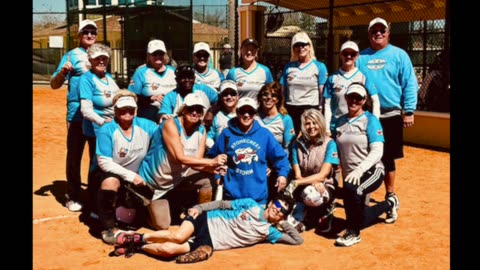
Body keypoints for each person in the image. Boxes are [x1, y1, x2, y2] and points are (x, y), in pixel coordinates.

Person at [111, 193, 302, 262]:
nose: (277, 211)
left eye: (282, 212)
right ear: (270, 203)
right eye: (276, 206)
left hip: (210, 241)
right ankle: (138, 237)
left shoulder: (269, 232)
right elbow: (223, 204)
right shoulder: (251, 204)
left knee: (167, 250)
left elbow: (297, 240)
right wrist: (199, 207)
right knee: (177, 237)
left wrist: (282, 222)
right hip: (206, 220)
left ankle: (137, 247)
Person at [356, 17, 418, 221]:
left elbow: (409, 83)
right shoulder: (360, 57)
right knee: (364, 155)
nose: (378, 33)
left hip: (390, 115)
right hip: (365, 115)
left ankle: (390, 197)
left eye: (382, 30)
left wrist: (408, 111)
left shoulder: (399, 55)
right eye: (374, 30)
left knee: (387, 157)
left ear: (388, 32)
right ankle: (364, 194)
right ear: (369, 34)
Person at [137, 93, 227, 230]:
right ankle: (144, 210)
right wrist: (211, 162)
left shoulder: (202, 130)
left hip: (178, 177)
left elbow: (196, 162)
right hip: (155, 183)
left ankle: (200, 219)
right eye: (191, 108)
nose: (195, 112)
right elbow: (179, 157)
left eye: (199, 109)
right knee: (162, 225)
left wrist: (212, 169)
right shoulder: (170, 124)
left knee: (208, 179)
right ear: (184, 109)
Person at [331, 83, 399, 247]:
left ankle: (353, 234)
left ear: (364, 100)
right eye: (351, 97)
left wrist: (360, 170)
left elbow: (377, 151)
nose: (354, 101)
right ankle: (390, 203)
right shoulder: (339, 121)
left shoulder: (370, 120)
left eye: (358, 98)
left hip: (372, 171)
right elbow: (333, 145)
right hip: (351, 175)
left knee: (354, 189)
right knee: (359, 218)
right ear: (346, 98)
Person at [93, 90, 158, 244]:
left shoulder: (147, 125)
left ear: (136, 110)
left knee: (144, 221)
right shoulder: (107, 130)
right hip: (112, 175)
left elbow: (164, 135)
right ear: (115, 110)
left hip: (137, 177)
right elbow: (104, 162)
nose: (127, 113)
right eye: (122, 109)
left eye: (130, 109)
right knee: (111, 182)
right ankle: (109, 228)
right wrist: (130, 176)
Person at [50, 19, 98, 212]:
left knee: (97, 156)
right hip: (76, 115)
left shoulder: (100, 54)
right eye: (85, 32)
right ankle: (73, 195)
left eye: (93, 32)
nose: (89, 35)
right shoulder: (71, 56)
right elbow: (54, 84)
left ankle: (95, 195)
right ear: (79, 35)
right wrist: (63, 73)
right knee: (75, 155)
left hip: (96, 115)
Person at [206, 97, 291, 206]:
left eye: (250, 112)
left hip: (258, 199)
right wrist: (217, 175)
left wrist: (282, 175)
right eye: (242, 111)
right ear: (237, 113)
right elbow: (211, 157)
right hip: (231, 198)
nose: (246, 115)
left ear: (255, 114)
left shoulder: (264, 134)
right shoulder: (226, 134)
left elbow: (281, 158)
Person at [78, 43, 120, 212]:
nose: (101, 61)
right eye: (97, 59)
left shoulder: (109, 78)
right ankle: (93, 205)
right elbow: (86, 110)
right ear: (90, 60)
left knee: (109, 163)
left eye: (104, 58)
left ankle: (107, 199)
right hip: (96, 129)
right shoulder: (86, 79)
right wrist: (104, 122)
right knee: (97, 165)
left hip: (112, 127)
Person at [283, 109, 339, 233]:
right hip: (303, 185)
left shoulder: (329, 144)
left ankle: (326, 210)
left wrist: (300, 183)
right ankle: (305, 217)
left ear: (321, 124)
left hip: (324, 185)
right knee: (289, 225)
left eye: (315, 123)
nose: (311, 127)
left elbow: (323, 175)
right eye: (308, 124)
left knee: (311, 194)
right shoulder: (296, 144)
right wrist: (308, 182)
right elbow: (298, 175)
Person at [323, 40, 380, 135]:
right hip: (337, 125)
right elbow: (327, 104)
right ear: (341, 55)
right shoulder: (332, 78)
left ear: (357, 56)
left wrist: (375, 124)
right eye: (345, 53)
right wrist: (327, 128)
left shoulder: (363, 77)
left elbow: (375, 100)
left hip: (359, 126)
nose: (348, 56)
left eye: (352, 54)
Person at [280, 31, 329, 134]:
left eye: (303, 44)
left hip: (311, 109)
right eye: (297, 45)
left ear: (309, 46)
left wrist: (319, 111)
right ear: (293, 48)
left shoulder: (319, 66)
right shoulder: (288, 67)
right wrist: (282, 107)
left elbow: (322, 93)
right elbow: (282, 91)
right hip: (291, 109)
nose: (301, 47)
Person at [128, 39, 177, 122]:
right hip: (149, 114)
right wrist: (151, 98)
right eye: (154, 54)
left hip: (172, 111)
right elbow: (132, 96)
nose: (158, 56)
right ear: (148, 55)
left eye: (161, 54)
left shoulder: (173, 71)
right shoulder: (141, 72)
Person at [205, 80, 239, 150]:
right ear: (220, 97)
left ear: (237, 96)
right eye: (225, 94)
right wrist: (215, 149)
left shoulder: (244, 115)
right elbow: (209, 136)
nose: (229, 97)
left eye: (232, 94)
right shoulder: (216, 116)